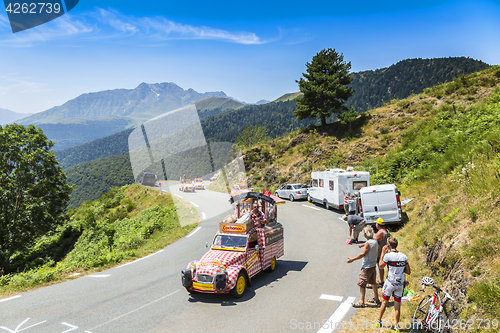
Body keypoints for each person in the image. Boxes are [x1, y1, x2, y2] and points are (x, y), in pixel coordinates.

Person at [375, 237, 411, 331]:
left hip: (390, 282)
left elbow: (380, 266)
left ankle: (379, 320)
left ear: (389, 246)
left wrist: (383, 253)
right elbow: (408, 271)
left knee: (384, 301)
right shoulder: (404, 256)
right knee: (397, 305)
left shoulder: (388, 256)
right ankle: (397, 325)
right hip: (400, 283)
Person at [347, 226, 381, 307]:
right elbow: (379, 249)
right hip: (373, 266)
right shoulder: (375, 241)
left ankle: (361, 302)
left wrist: (353, 259)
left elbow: (362, 254)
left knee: (362, 284)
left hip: (367, 267)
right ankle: (376, 298)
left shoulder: (368, 243)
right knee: (373, 283)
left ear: (365, 234)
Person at [374, 218, 390, 286]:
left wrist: (363, 244)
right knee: (381, 267)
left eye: (376, 223)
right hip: (385, 251)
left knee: (377, 266)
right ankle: (381, 280)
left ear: (378, 225)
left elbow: (373, 242)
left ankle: (374, 282)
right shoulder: (387, 231)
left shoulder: (380, 232)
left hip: (379, 253)